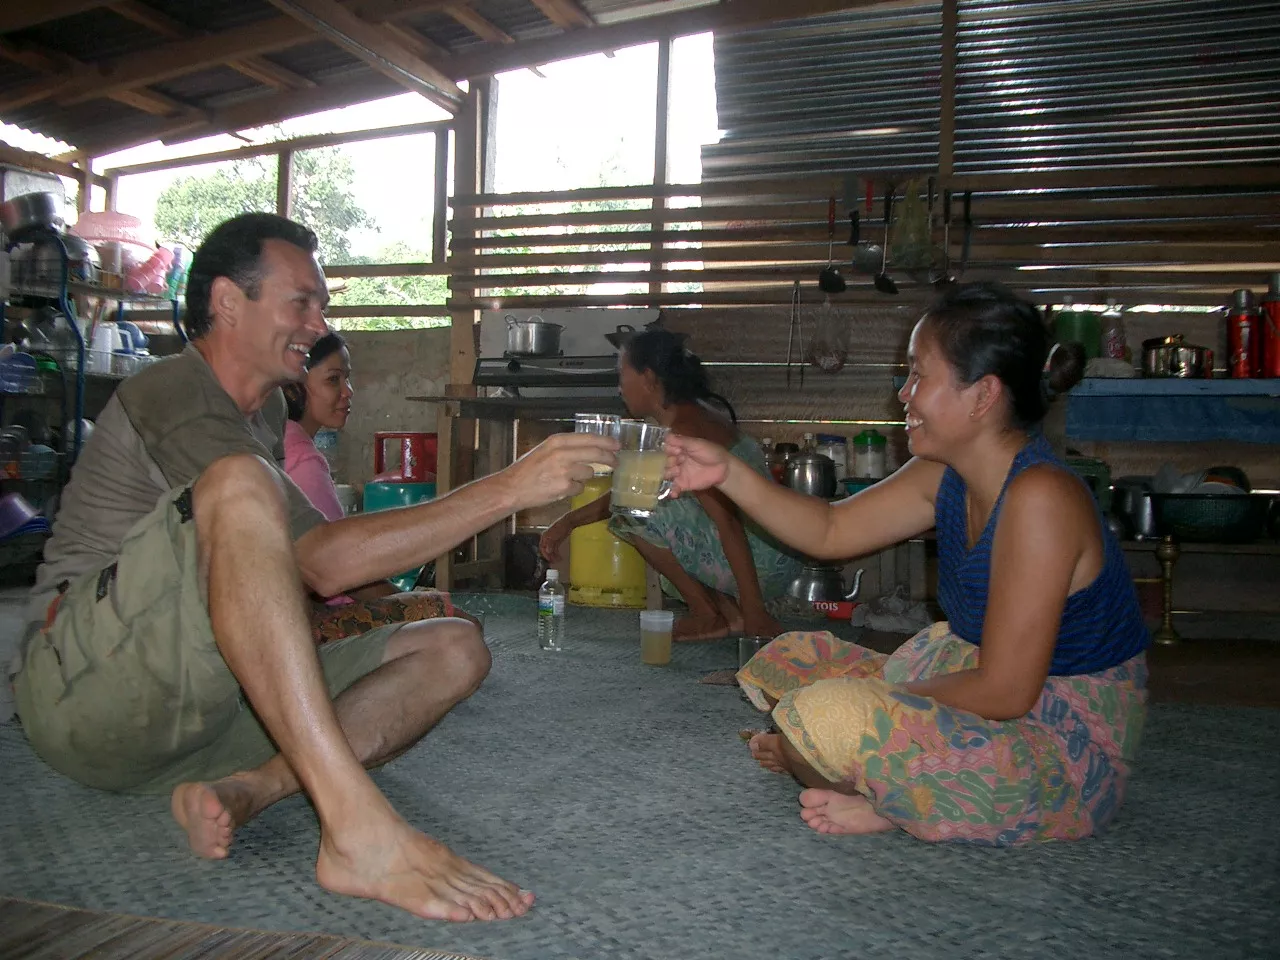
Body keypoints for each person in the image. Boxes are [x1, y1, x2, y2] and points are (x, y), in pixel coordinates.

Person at [6, 213, 617, 921]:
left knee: (454, 647)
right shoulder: (173, 391)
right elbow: (321, 563)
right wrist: (509, 488)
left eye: (321, 303)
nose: (318, 320)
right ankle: (354, 829)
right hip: (82, 691)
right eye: (302, 301)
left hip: (196, 710)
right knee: (241, 483)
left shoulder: (263, 418)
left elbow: (310, 570)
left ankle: (252, 788)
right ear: (228, 302)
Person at [663, 282, 1149, 845]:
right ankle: (866, 774)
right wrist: (726, 471)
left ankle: (880, 792)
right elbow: (830, 529)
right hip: (987, 684)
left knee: (825, 714)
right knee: (790, 658)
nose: (903, 394)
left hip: (1056, 739)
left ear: (983, 395)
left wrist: (862, 706)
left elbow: (1009, 692)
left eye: (919, 375)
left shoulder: (1041, 497)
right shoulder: (947, 473)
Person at [539, 329, 801, 642]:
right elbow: (637, 487)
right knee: (649, 500)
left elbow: (727, 522)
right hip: (769, 553)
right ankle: (730, 614)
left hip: (762, 562)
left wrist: (757, 610)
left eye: (622, 376)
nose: (620, 388)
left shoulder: (686, 429)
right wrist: (567, 523)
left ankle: (709, 614)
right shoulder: (693, 417)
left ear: (648, 378)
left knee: (633, 514)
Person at [279, 332, 457, 643]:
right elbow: (343, 570)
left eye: (347, 379)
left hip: (283, 610)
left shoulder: (279, 438)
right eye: (333, 380)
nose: (348, 392)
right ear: (295, 387)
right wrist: (401, 602)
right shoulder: (303, 460)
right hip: (309, 620)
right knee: (450, 620)